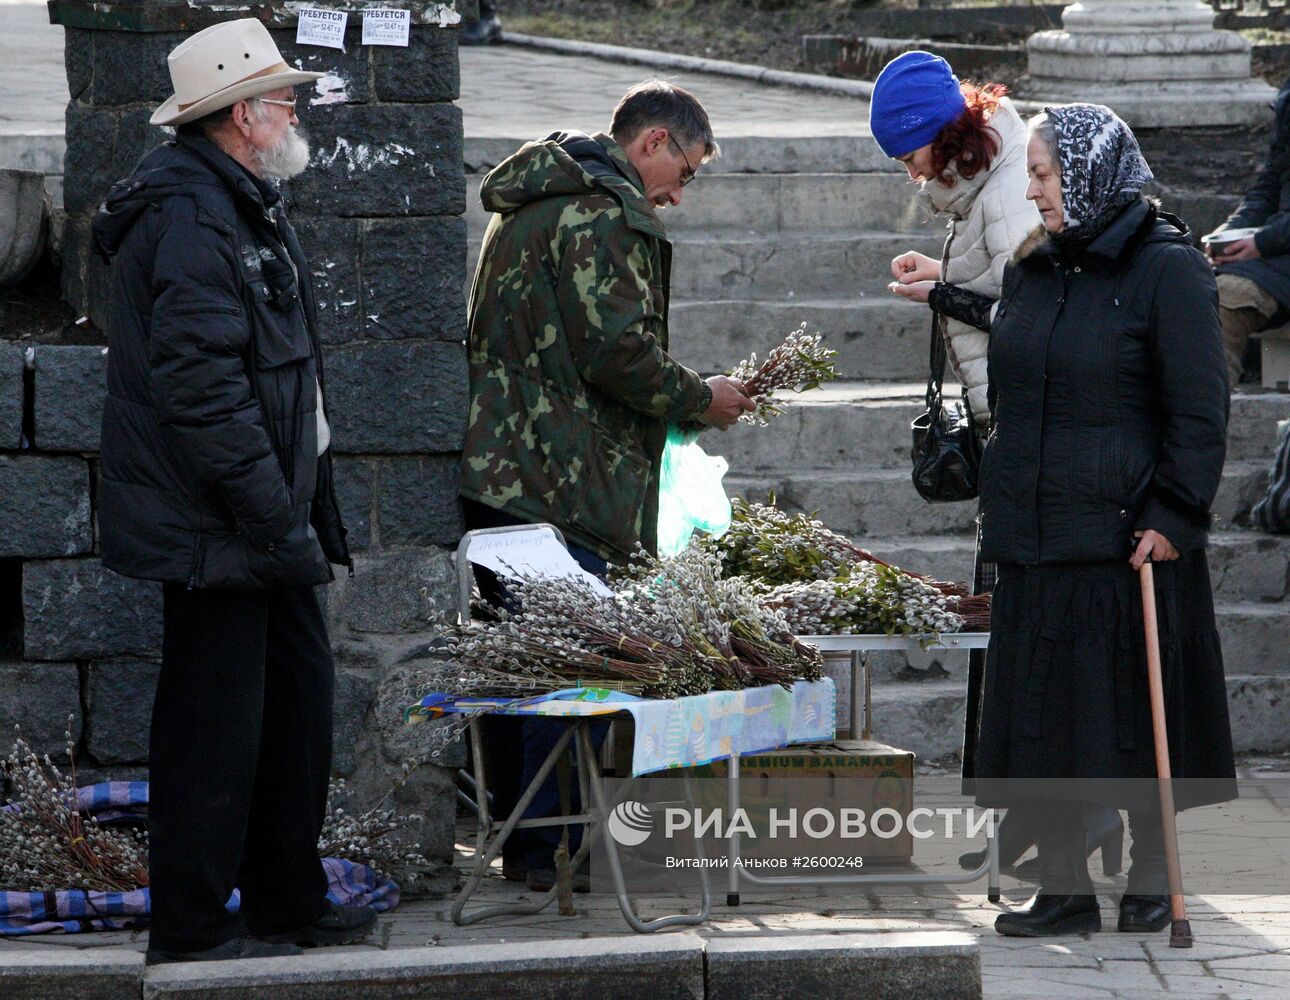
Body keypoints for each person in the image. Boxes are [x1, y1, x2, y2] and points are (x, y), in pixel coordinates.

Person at [92, 19, 371, 964]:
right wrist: (269, 512)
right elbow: (203, 390)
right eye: (284, 98)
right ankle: (192, 926)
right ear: (240, 115)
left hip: (263, 509)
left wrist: (291, 511)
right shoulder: (192, 214)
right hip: (224, 518)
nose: (295, 111)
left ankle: (288, 901)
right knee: (215, 727)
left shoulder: (237, 195)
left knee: (294, 706)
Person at [935, 103, 1236, 937]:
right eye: (1030, 175)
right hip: (1034, 533)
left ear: (1092, 171)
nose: (1033, 194)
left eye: (1043, 175)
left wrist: (1176, 511)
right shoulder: (1035, 265)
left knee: (1136, 714)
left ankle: (1148, 875)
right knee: (1042, 718)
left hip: (1126, 538)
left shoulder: (1168, 268)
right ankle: (1062, 886)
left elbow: (1202, 407)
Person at [459, 80, 754, 891]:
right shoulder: (603, 211)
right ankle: (552, 855)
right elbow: (618, 353)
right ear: (653, 141)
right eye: (685, 172)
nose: (680, 196)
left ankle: (525, 848)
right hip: (562, 484)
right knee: (572, 677)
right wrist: (704, 399)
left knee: (520, 671)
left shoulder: (534, 201)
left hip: (505, 473)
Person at [868, 53, 1127, 877]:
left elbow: (1038, 311)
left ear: (946, 138)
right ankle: (1031, 818)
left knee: (1030, 640)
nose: (907, 173)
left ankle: (1065, 819)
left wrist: (941, 295)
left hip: (1038, 436)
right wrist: (944, 275)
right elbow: (1003, 283)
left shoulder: (1015, 183)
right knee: (1013, 636)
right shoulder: (983, 179)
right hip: (1009, 431)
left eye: (909, 154)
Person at [1204, 74, 1290, 387]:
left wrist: (1263, 242)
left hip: (1278, 248)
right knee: (1192, 288)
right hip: (1278, 247)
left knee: (1230, 297)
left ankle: (1206, 428)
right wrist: (1231, 232)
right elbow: (1270, 182)